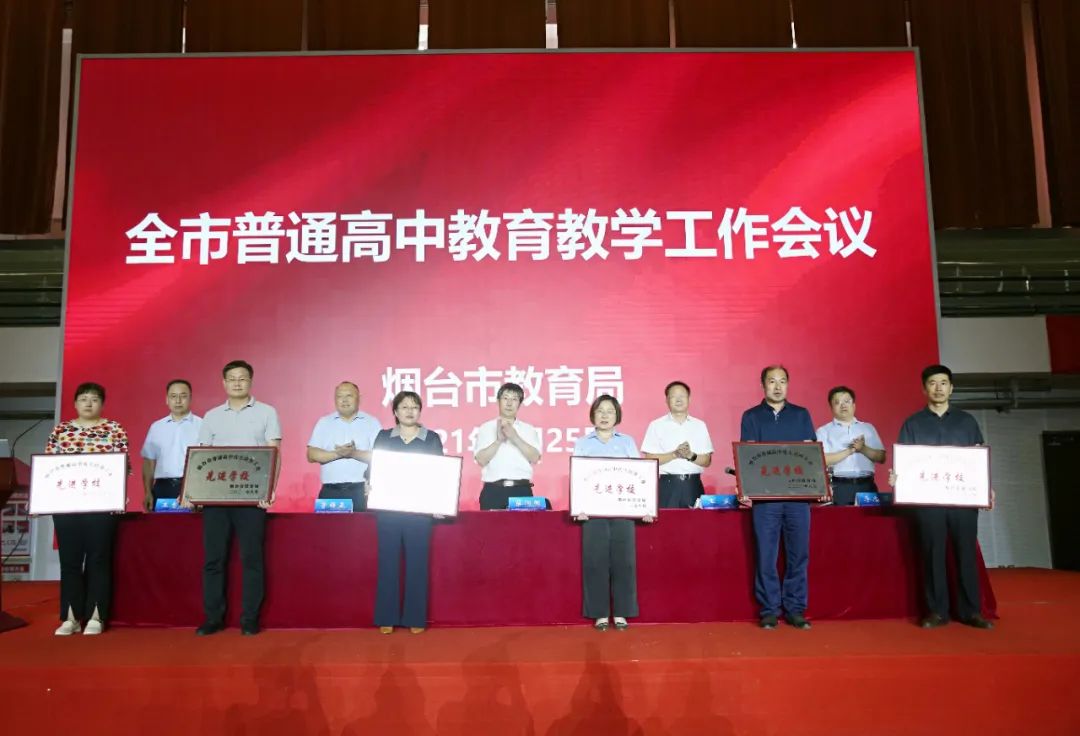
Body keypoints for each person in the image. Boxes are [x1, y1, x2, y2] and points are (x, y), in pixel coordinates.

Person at [892, 364, 993, 629]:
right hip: (928, 501)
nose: (938, 388)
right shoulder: (913, 423)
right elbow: (904, 462)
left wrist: (986, 487)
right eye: (933, 383)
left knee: (965, 553)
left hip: (963, 499)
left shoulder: (967, 421)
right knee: (932, 554)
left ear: (951, 388)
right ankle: (937, 612)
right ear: (924, 389)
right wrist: (898, 478)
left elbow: (977, 458)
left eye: (944, 383)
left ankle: (971, 611)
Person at [194, 360, 281, 637]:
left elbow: (274, 454)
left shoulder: (267, 412)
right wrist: (196, 493)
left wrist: (269, 490)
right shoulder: (211, 416)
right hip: (216, 499)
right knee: (213, 560)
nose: (237, 383)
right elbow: (201, 457)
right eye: (231, 379)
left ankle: (250, 618)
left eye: (242, 378)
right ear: (223, 383)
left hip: (251, 498)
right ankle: (213, 618)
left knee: (252, 559)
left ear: (250, 382)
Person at [46, 382, 129, 636]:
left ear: (102, 404)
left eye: (94, 399)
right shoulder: (61, 430)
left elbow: (123, 466)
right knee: (70, 561)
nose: (88, 403)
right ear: (75, 404)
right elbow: (48, 467)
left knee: (98, 559)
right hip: (66, 505)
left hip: (102, 505)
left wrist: (118, 497)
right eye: (83, 399)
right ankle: (70, 617)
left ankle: (96, 615)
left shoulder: (114, 429)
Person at [739, 365, 816, 630]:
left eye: (782, 381)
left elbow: (810, 455)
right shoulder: (751, 416)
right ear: (763, 385)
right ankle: (769, 610)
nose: (777, 386)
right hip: (766, 500)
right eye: (772, 381)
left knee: (798, 555)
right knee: (766, 555)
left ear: (788, 384)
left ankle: (795, 609)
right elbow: (748, 456)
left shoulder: (801, 415)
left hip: (798, 499)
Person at [573, 394, 654, 631]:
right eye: (600, 411)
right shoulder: (583, 443)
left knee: (624, 561)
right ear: (593, 415)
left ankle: (621, 612)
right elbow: (578, 477)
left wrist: (646, 507)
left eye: (610, 411)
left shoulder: (627, 442)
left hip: (623, 510)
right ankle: (599, 613)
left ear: (617, 415)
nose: (605, 415)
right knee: (595, 561)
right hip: (593, 512)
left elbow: (640, 476)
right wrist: (578, 507)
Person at [372, 390, 444, 634]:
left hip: (419, 511)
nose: (410, 411)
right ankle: (387, 616)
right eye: (404, 407)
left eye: (414, 407)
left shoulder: (431, 438)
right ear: (395, 412)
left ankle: (415, 616)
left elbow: (440, 473)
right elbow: (374, 468)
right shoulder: (384, 437)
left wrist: (439, 502)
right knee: (388, 562)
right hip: (388, 509)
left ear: (420, 411)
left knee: (417, 563)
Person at [306, 381, 380, 511]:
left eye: (349, 396)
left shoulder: (371, 423)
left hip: (361, 491)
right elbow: (311, 455)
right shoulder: (324, 423)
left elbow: (379, 457)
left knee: (363, 525)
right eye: (339, 396)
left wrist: (353, 453)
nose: (344, 400)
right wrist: (338, 453)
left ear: (359, 398)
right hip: (331, 491)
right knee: (329, 525)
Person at [641, 381, 714, 508]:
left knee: (695, 521)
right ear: (667, 400)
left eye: (682, 396)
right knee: (667, 520)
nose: (678, 399)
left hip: (693, 485)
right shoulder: (656, 425)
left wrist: (690, 455)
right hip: (667, 486)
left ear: (689, 399)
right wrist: (674, 454)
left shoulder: (700, 425)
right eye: (674, 396)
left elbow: (707, 461)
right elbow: (649, 459)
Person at [473, 382, 542, 510]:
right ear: (498, 401)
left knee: (523, 524)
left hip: (521, 491)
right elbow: (481, 460)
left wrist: (515, 437)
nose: (509, 403)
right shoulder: (486, 428)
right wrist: (498, 441)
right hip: (493, 491)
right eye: (505, 398)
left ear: (519, 404)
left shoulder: (529, 429)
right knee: (490, 524)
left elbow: (535, 458)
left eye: (514, 399)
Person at [816, 386, 886, 505]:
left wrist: (863, 448)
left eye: (847, 401)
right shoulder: (824, 431)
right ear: (831, 407)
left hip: (867, 485)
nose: (843, 405)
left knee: (871, 517)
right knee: (840, 517)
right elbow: (822, 459)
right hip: (839, 486)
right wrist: (850, 450)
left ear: (854, 405)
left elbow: (881, 457)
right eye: (837, 402)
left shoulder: (868, 428)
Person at [140, 379, 201, 511]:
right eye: (173, 396)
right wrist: (148, 492)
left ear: (190, 399)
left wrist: (202, 494)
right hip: (162, 488)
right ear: (167, 399)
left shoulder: (202, 425)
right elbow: (149, 463)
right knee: (162, 524)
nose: (178, 401)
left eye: (183, 396)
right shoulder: (157, 427)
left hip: (193, 487)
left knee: (193, 524)